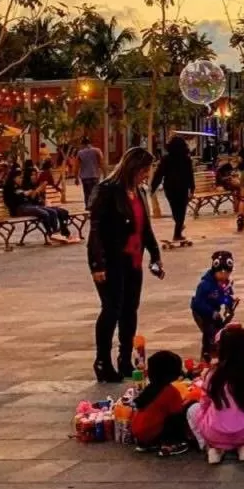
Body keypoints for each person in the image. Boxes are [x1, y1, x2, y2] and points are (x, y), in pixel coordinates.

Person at [87, 147, 163, 383]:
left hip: (134, 259)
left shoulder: (138, 192)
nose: (146, 175)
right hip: (112, 259)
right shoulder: (108, 191)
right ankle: (102, 361)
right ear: (133, 168)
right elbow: (96, 230)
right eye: (144, 170)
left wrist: (155, 255)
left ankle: (125, 358)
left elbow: (145, 228)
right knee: (112, 308)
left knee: (130, 309)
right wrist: (97, 264)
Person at [186, 324, 244, 464]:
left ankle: (210, 447)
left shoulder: (213, 373)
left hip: (214, 432)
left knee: (192, 410)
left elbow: (204, 403)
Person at [131, 350, 189, 457]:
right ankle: (171, 444)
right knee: (177, 418)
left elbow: (138, 403)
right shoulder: (171, 391)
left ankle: (147, 444)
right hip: (152, 432)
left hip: (138, 432)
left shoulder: (150, 388)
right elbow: (176, 414)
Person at [2, 163, 70, 242]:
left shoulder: (19, 186)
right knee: (44, 213)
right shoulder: (9, 187)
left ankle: (56, 233)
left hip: (28, 206)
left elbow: (29, 197)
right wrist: (25, 194)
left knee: (53, 211)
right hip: (18, 209)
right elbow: (13, 199)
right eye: (19, 178)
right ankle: (50, 233)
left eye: (21, 177)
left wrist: (30, 194)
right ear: (13, 178)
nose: (21, 179)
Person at [191, 251, 239, 361]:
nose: (224, 275)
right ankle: (207, 355)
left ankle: (218, 352)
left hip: (214, 310)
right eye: (221, 273)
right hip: (201, 311)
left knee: (220, 329)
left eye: (227, 273)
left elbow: (226, 297)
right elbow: (198, 303)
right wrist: (211, 312)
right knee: (210, 331)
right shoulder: (205, 285)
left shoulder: (226, 284)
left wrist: (230, 301)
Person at [151, 135, 195, 246]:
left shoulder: (166, 159)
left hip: (170, 187)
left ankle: (178, 228)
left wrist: (153, 187)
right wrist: (192, 188)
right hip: (182, 186)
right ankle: (178, 231)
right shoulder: (186, 159)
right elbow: (190, 175)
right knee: (182, 210)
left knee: (175, 209)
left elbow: (159, 174)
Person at [73, 137, 105, 208]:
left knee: (86, 193)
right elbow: (102, 163)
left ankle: (88, 207)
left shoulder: (80, 153)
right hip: (95, 175)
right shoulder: (97, 151)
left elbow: (77, 166)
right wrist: (105, 174)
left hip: (84, 177)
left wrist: (76, 178)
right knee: (94, 193)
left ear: (82, 144)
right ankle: (95, 207)